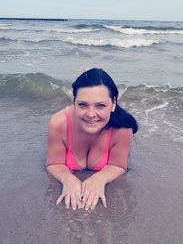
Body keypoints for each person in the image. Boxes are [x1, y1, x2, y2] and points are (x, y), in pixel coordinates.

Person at [46, 68, 138, 211]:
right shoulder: (58, 123)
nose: (91, 114)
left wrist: (100, 178)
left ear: (113, 104)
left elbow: (119, 166)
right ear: (74, 102)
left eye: (100, 106)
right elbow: (54, 163)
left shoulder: (123, 129)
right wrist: (67, 178)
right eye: (83, 105)